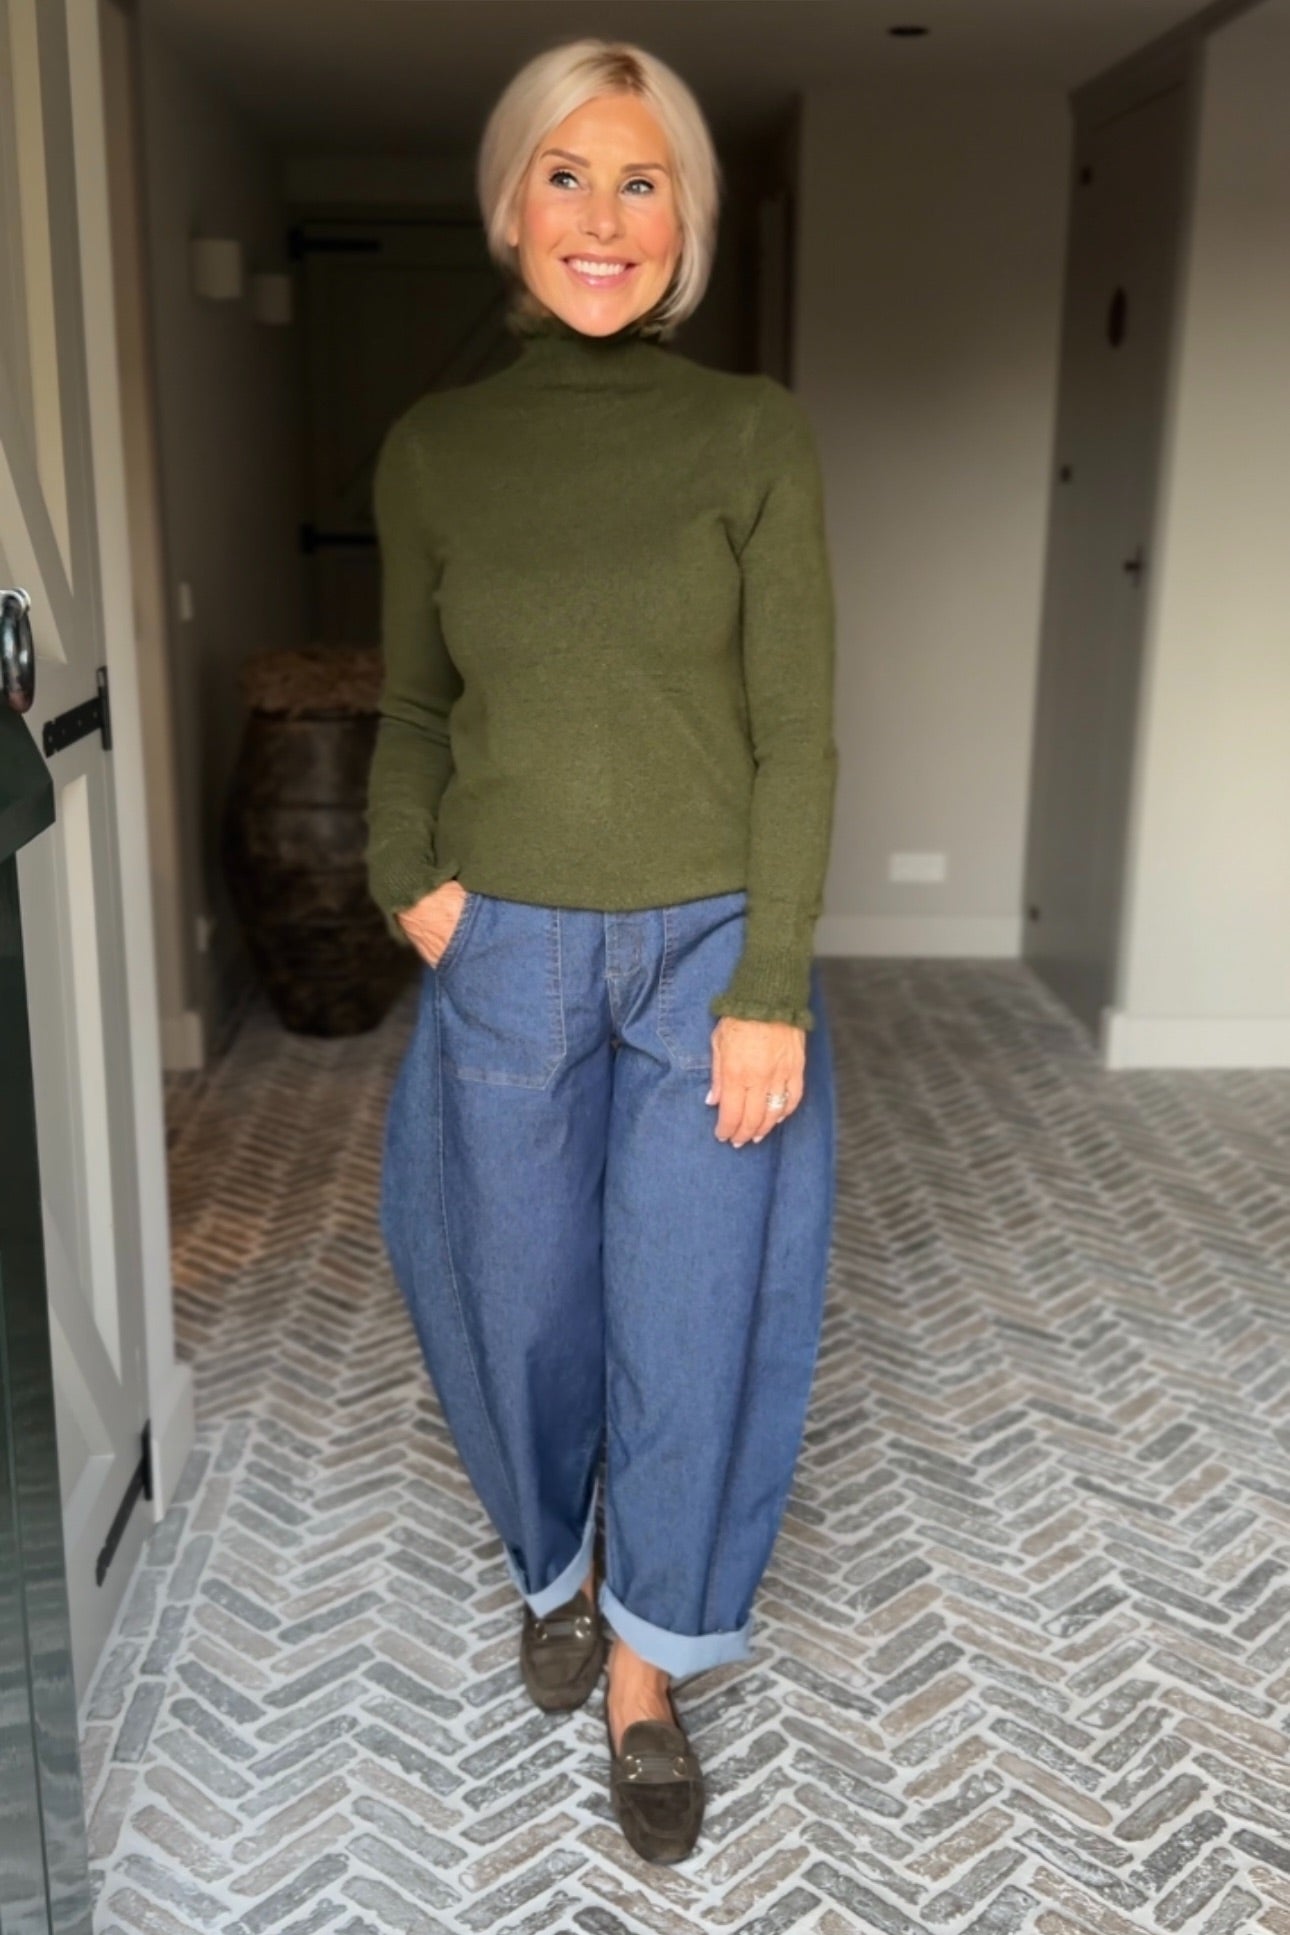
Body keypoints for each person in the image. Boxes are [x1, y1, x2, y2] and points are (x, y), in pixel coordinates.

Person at [365, 35, 838, 1866]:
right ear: (509, 207)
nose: (603, 217)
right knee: (515, 1301)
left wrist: (771, 982)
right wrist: (407, 878)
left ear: (684, 223)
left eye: (643, 182)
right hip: (502, 945)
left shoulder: (749, 432)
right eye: (566, 175)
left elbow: (795, 731)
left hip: (708, 954)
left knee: (695, 1315)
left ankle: (647, 1672)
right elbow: (416, 706)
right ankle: (549, 1568)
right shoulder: (436, 449)